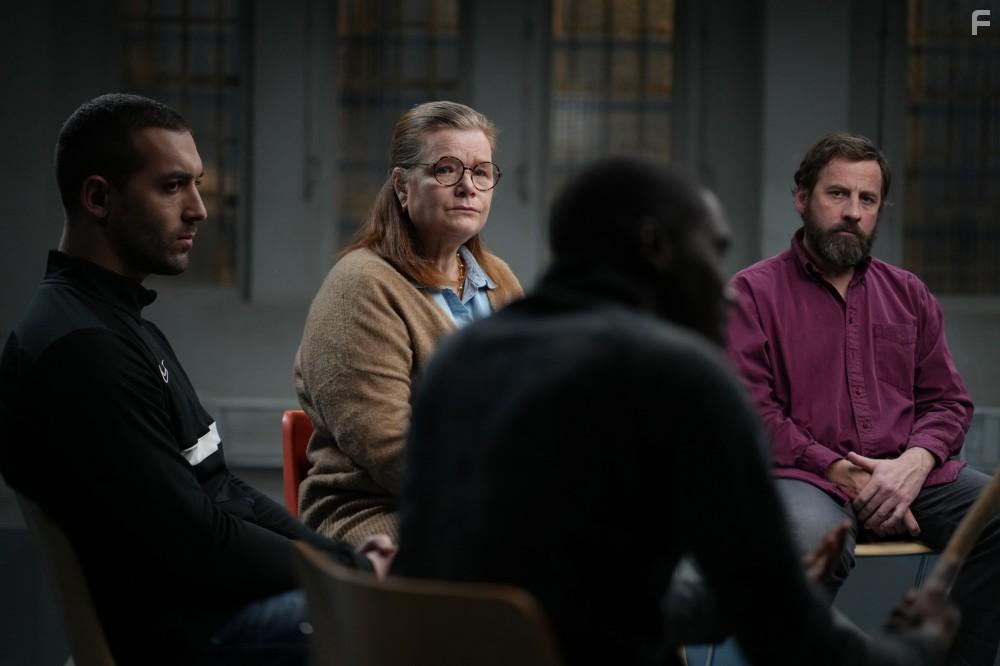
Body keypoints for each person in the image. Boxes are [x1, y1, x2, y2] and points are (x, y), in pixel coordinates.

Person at [392, 156, 958, 666]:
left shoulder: (461, 361)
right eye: (712, 250)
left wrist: (745, 592)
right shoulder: (681, 379)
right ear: (657, 247)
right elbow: (790, 640)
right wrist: (919, 646)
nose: (728, 289)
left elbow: (581, 600)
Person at [0, 93, 394, 666]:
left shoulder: (120, 326)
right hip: (189, 639)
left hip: (208, 614)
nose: (199, 209)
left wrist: (340, 559)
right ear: (98, 198)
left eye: (197, 184)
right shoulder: (82, 348)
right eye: (171, 186)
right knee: (432, 630)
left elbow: (223, 491)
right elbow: (198, 541)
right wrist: (350, 575)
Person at [727, 133, 1000, 665]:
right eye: (837, 195)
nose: (852, 212)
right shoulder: (751, 294)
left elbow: (948, 402)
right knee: (807, 540)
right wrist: (837, 471)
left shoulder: (909, 294)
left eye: (867, 200)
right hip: (803, 478)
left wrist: (915, 464)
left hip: (908, 478)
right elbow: (754, 416)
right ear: (802, 198)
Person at [294, 100, 523, 545]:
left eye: (481, 172)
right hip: (382, 513)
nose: (467, 187)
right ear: (401, 185)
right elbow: (392, 451)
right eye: (446, 169)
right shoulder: (360, 286)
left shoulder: (500, 279)